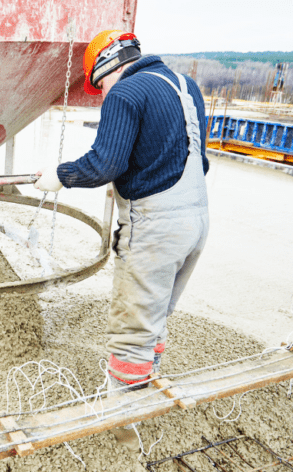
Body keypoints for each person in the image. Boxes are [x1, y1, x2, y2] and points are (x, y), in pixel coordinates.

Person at [35, 31, 210, 392]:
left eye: (101, 85)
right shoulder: (185, 85)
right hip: (196, 222)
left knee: (132, 331)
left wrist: (60, 175)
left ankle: (123, 421)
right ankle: (148, 383)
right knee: (156, 314)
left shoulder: (126, 92)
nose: (104, 94)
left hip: (154, 228)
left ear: (108, 65)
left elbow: (104, 164)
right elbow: (201, 161)